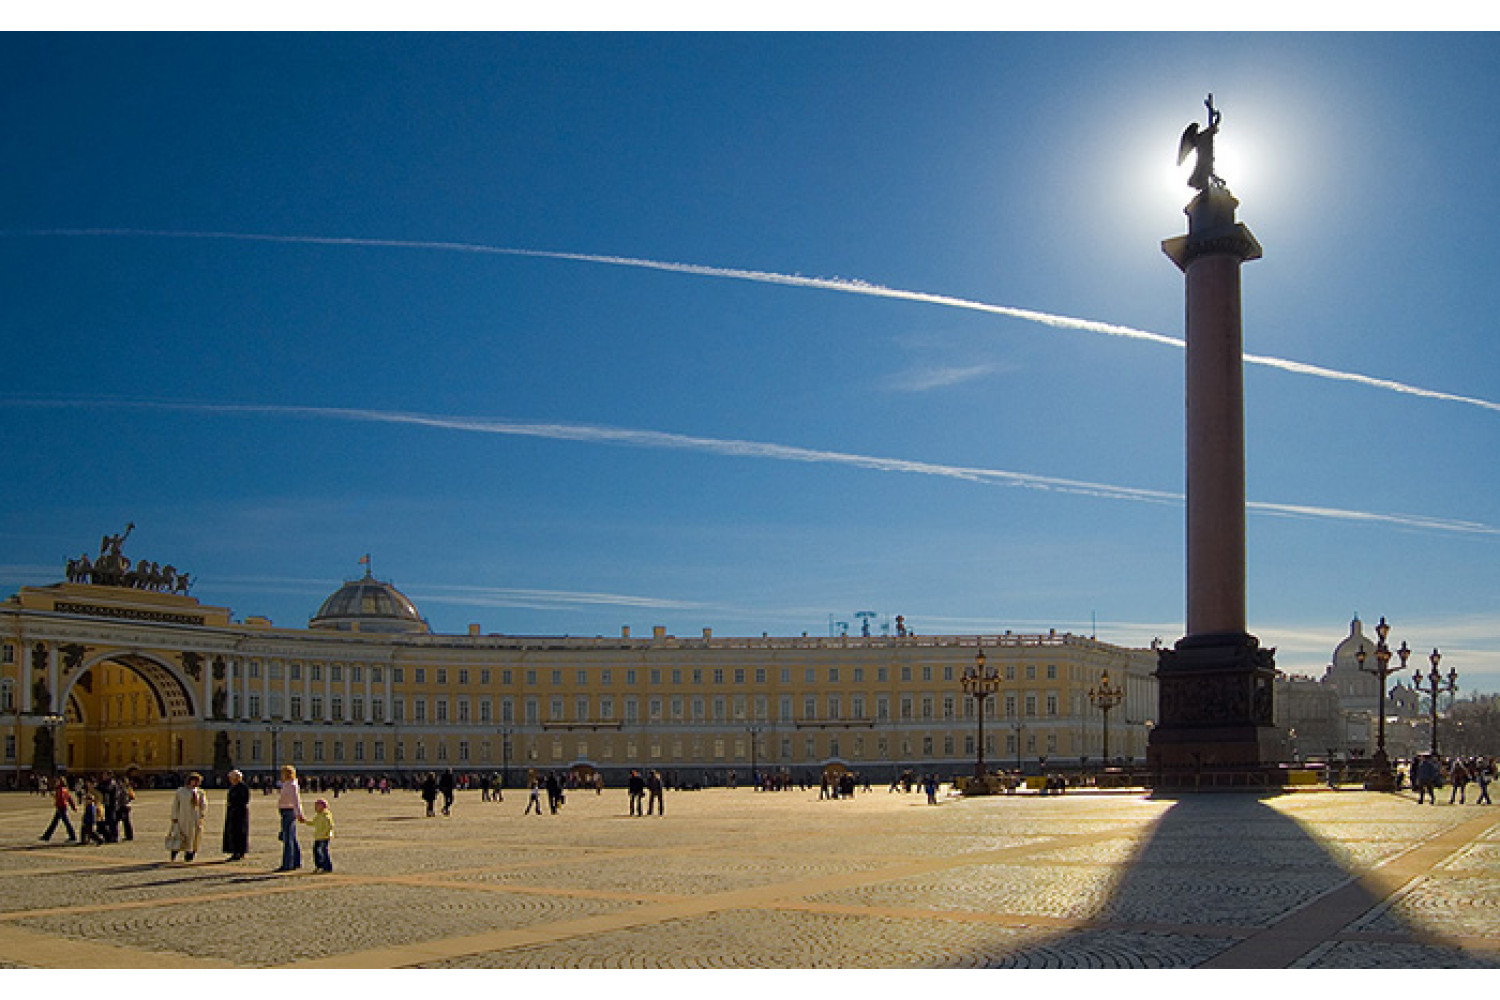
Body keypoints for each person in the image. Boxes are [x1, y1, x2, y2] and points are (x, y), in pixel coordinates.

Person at [167, 772, 208, 862]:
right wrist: (174, 816)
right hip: (182, 817)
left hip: (194, 818)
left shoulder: (200, 792)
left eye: (198, 781)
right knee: (180, 835)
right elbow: (175, 804)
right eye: (194, 781)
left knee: (194, 836)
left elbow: (203, 805)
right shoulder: (181, 791)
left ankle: (190, 854)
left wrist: (202, 815)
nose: (196, 783)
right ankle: (175, 852)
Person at [276, 764, 305, 871]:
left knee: (287, 839)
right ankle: (296, 861)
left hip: (289, 812)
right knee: (291, 837)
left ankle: (287, 864)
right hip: (285, 811)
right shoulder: (287, 784)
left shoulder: (292, 785)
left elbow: (296, 801)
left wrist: (299, 814)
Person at [301, 798, 335, 873]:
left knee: (323, 852)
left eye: (317, 806)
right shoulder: (318, 816)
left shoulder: (326, 816)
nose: (315, 808)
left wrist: (326, 833)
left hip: (324, 837)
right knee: (316, 852)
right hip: (318, 837)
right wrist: (305, 821)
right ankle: (319, 866)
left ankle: (326, 867)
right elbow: (313, 822)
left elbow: (330, 825)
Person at [222, 769, 250, 861]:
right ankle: (234, 851)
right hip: (232, 812)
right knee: (232, 832)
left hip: (240, 813)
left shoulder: (243, 787)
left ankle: (239, 851)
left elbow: (245, 800)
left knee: (240, 832)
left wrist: (235, 805)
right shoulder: (233, 787)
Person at [39, 776, 78, 842]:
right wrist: (73, 807)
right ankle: (46, 836)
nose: (56, 782)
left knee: (65, 823)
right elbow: (69, 799)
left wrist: (57, 801)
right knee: (55, 823)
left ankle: (73, 836)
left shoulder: (60, 789)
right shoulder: (65, 789)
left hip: (61, 807)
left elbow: (61, 799)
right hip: (62, 807)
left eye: (57, 781)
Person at [114, 775, 135, 842]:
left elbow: (120, 798)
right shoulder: (128, 788)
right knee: (126, 822)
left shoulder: (123, 789)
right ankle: (129, 836)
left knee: (116, 821)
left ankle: (118, 836)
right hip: (127, 806)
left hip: (123, 807)